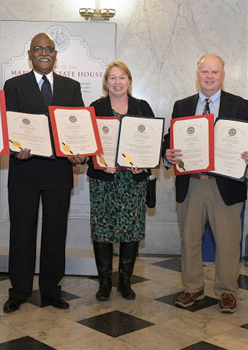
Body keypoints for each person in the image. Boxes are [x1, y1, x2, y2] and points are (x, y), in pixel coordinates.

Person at [163, 54, 248, 312]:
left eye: (214, 72)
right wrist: (167, 153)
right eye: (205, 72)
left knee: (228, 241)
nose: (209, 76)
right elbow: (169, 138)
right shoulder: (182, 106)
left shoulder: (241, 105)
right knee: (189, 238)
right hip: (191, 183)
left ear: (223, 75)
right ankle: (192, 287)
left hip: (225, 184)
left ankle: (227, 291)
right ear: (197, 74)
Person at [2, 33, 85, 313]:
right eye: (38, 48)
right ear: (30, 53)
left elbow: (77, 127)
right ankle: (19, 290)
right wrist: (16, 149)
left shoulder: (71, 87)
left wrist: (80, 152)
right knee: (22, 232)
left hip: (59, 171)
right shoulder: (14, 85)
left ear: (55, 54)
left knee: (55, 232)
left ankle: (51, 290)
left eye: (49, 49)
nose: (44, 53)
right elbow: (9, 124)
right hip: (24, 169)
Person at [87, 61, 154, 301]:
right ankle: (104, 282)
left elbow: (152, 143)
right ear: (106, 83)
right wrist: (99, 161)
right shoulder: (95, 108)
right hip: (103, 181)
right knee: (102, 229)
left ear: (129, 81)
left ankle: (125, 281)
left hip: (133, 181)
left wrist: (145, 163)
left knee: (131, 230)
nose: (117, 82)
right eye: (112, 78)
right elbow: (87, 143)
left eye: (122, 77)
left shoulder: (141, 107)